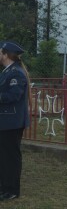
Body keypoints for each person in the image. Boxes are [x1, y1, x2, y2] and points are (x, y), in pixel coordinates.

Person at [0, 41, 30, 201]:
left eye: (0, 52)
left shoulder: (16, 73)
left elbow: (13, 96)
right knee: (4, 157)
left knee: (10, 157)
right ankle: (4, 187)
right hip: (5, 122)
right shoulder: (7, 71)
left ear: (5, 55)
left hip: (12, 122)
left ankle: (11, 190)